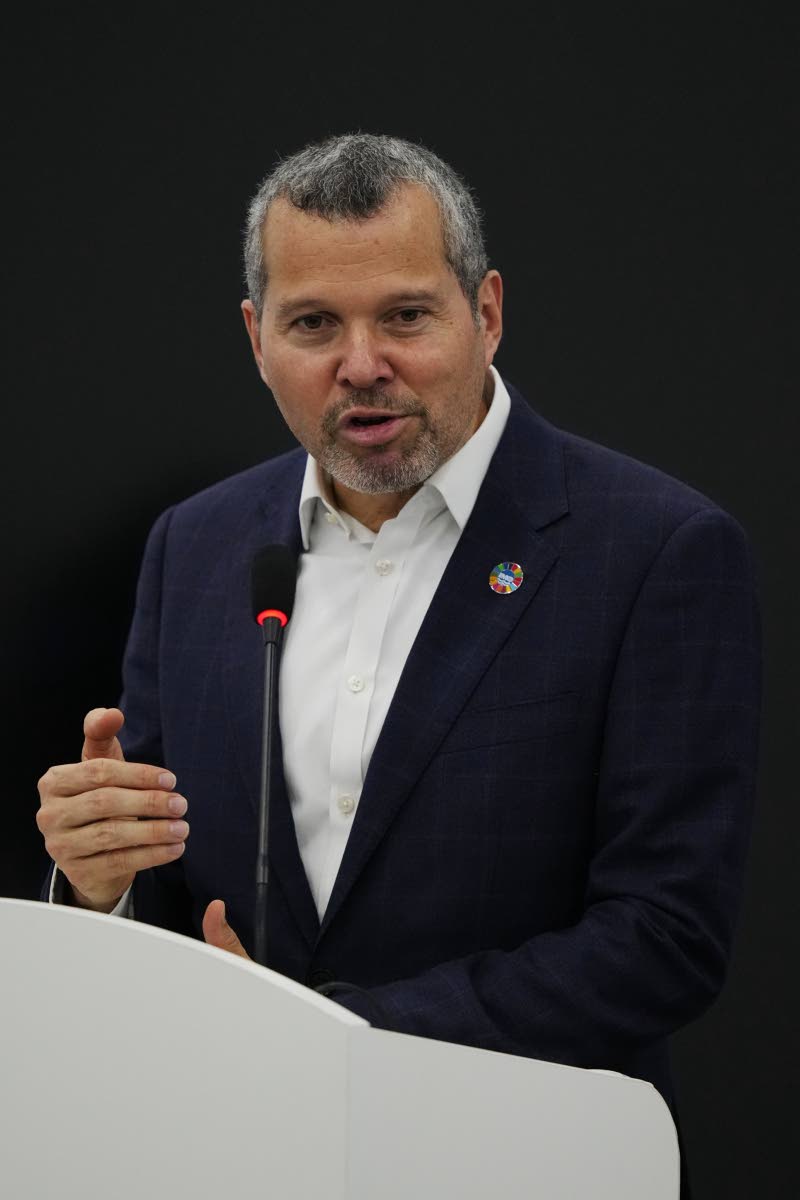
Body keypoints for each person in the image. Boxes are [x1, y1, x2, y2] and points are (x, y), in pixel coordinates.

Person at [37, 134, 760, 1174]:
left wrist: (337, 1035)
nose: (363, 364)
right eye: (313, 324)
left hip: (521, 1162)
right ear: (255, 338)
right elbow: (166, 898)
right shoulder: (193, 547)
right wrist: (96, 883)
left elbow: (664, 938)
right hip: (235, 1159)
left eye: (407, 316)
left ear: (487, 314)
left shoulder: (653, 550)